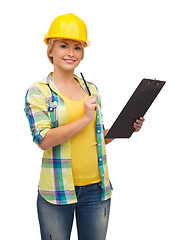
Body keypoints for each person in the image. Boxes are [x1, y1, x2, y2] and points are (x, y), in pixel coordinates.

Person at [24, 13, 144, 240]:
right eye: (63, 45)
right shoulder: (39, 91)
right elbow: (43, 140)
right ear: (50, 50)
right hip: (57, 193)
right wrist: (84, 119)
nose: (71, 53)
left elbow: (97, 138)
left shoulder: (92, 89)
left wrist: (126, 128)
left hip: (97, 190)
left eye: (77, 47)